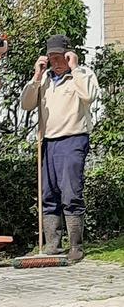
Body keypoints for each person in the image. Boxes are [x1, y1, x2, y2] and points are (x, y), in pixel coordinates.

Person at [20, 34, 100, 262]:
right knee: (49, 193)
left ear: (68, 55)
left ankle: (76, 245)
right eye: (51, 57)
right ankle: (52, 245)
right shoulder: (44, 79)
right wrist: (36, 76)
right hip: (48, 142)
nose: (55, 62)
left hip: (74, 139)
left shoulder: (82, 74)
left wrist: (74, 69)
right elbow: (26, 104)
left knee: (71, 192)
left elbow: (89, 96)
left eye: (59, 57)